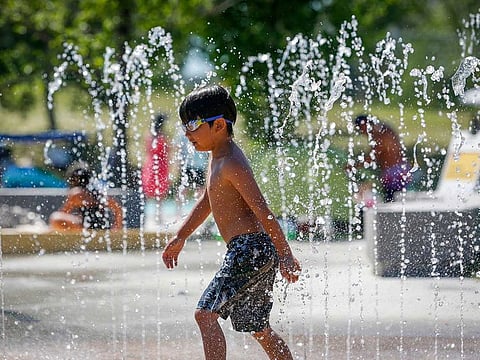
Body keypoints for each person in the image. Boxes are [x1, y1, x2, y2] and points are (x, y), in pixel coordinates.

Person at [162, 85, 301, 360]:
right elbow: (207, 201)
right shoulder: (217, 159)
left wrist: (286, 253)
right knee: (259, 328)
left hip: (250, 249)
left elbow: (263, 211)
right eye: (184, 126)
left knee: (205, 314)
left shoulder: (232, 163)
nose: (187, 134)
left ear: (219, 125)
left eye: (193, 124)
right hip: (255, 251)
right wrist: (181, 237)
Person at [352, 115, 412, 202]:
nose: (362, 132)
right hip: (400, 170)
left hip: (394, 174)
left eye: (361, 129)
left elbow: (372, 158)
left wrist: (354, 166)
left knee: (392, 202)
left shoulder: (380, 135)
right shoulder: (383, 131)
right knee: (396, 201)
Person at [49, 162, 123, 230]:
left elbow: (64, 212)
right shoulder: (97, 193)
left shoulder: (77, 193)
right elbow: (117, 208)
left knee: (55, 217)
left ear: (75, 179)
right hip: (101, 226)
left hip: (84, 226)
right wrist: (117, 226)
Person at [141, 113, 170, 201]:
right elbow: (168, 151)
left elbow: (146, 150)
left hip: (151, 164)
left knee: (149, 189)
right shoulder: (163, 137)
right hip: (162, 164)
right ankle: (160, 213)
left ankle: (150, 213)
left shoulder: (149, 136)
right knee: (160, 191)